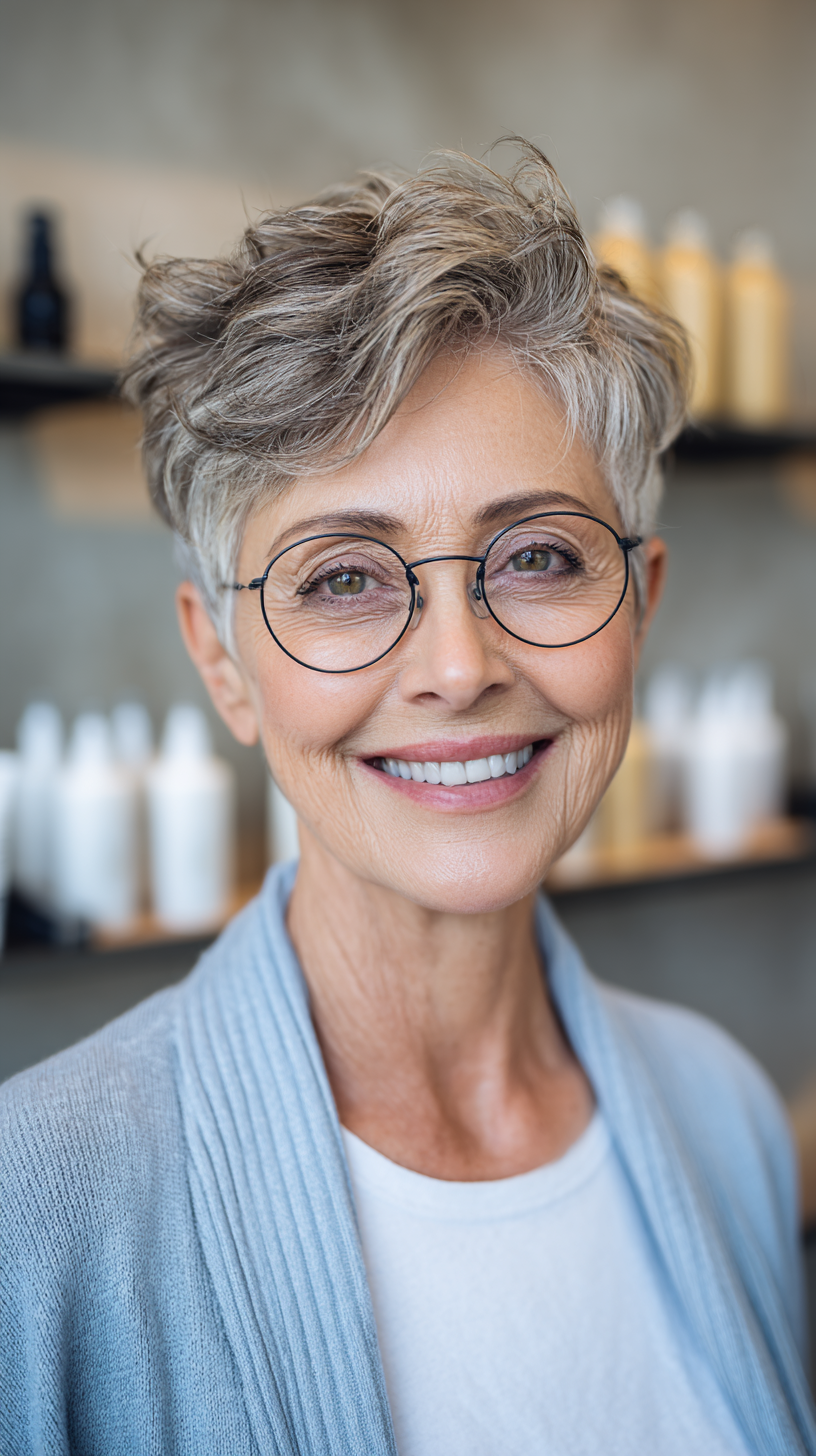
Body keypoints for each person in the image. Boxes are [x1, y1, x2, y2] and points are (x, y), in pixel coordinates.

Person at [2, 143, 814, 1456]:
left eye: (540, 557)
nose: (458, 668)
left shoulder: (727, 1115)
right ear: (225, 663)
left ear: (641, 607)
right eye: (342, 580)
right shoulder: (36, 1215)